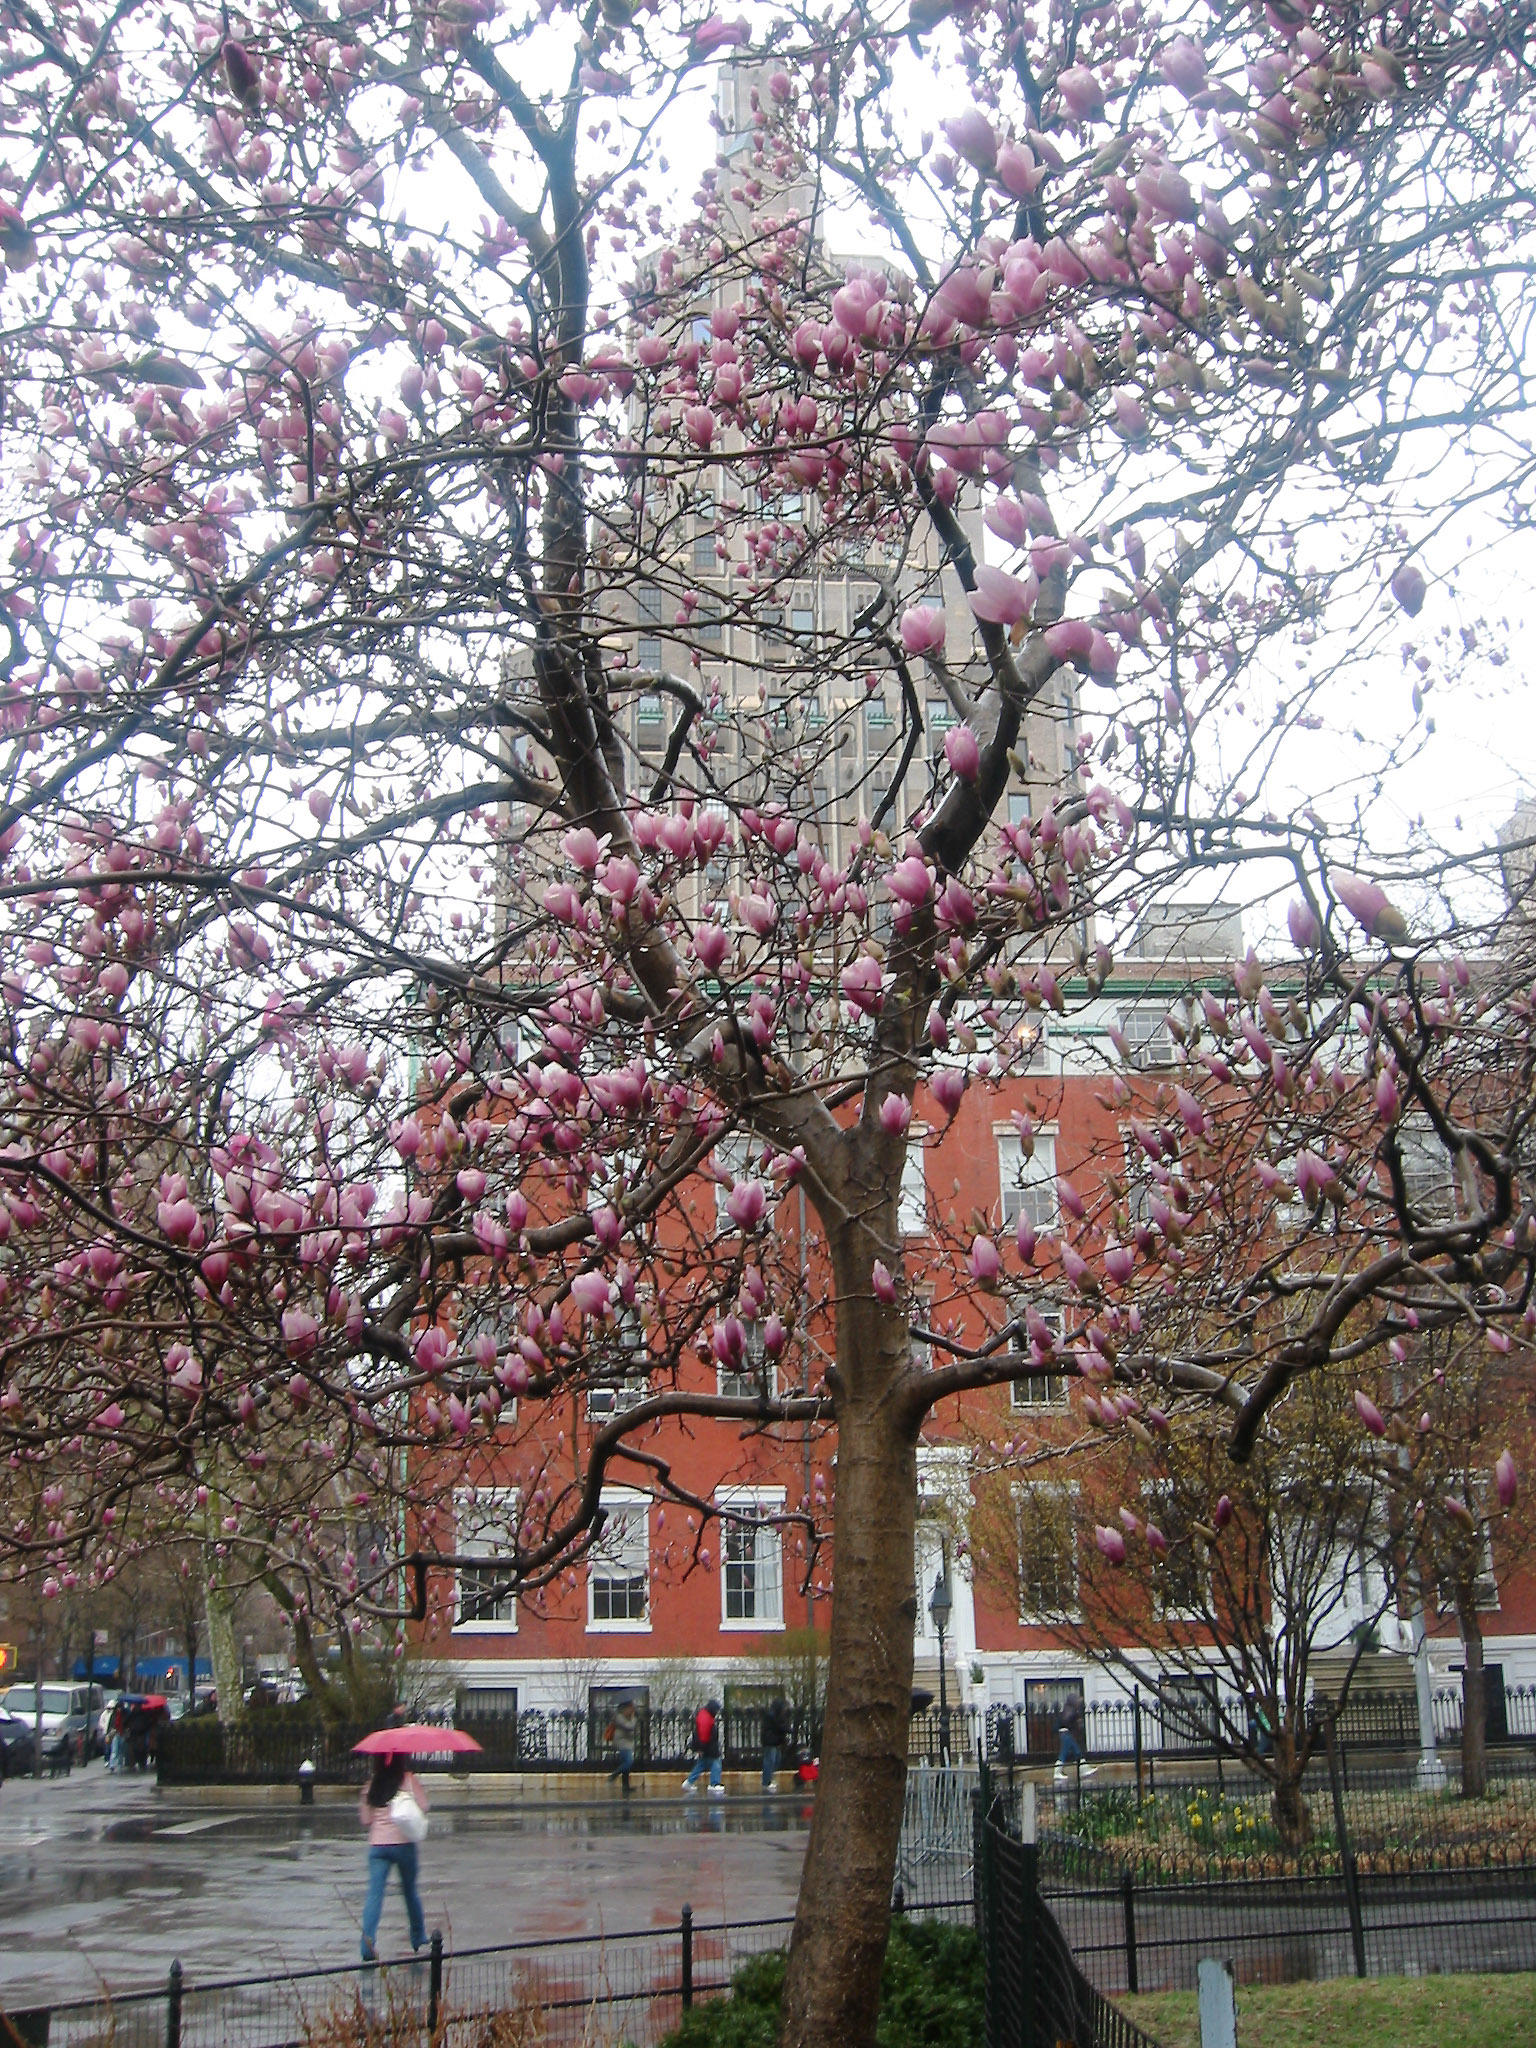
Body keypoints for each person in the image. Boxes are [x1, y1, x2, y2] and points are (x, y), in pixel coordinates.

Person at [358, 1755, 429, 1961]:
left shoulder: (372, 1784)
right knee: (409, 1892)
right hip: (404, 1845)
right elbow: (423, 1806)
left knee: (374, 1895)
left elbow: (365, 1820)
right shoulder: (408, 1780)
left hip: (378, 1847)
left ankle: (367, 1946)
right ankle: (417, 1937)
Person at [681, 1697, 724, 1796]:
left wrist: (699, 1748)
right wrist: (702, 1747)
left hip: (704, 1746)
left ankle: (689, 1782)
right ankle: (714, 1784)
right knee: (716, 1763)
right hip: (709, 1746)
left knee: (702, 1764)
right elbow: (705, 1734)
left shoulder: (702, 1714)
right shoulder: (707, 1718)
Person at [1054, 1697, 1095, 1781]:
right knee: (1064, 1753)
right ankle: (1057, 1772)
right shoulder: (1070, 1710)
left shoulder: (1068, 1709)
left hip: (1065, 1733)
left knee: (1076, 1751)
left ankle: (1084, 1769)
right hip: (1065, 1733)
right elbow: (1068, 1721)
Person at [604, 1697, 639, 1794]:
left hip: (627, 1742)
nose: (633, 1709)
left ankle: (626, 1786)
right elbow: (630, 1727)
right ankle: (613, 1775)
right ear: (625, 1708)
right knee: (628, 1762)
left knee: (626, 1766)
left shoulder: (627, 1716)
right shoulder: (619, 1717)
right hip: (622, 1742)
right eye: (631, 1707)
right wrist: (634, 1718)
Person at [760, 1695, 792, 1792]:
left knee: (776, 1760)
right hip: (770, 1742)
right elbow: (779, 1726)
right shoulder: (772, 1716)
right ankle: (766, 1782)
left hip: (775, 1742)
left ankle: (769, 1779)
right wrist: (788, 1729)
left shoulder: (776, 1715)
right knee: (770, 1761)